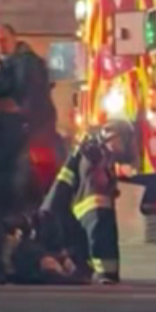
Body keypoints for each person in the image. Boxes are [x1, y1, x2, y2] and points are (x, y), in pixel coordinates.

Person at [35, 119, 139, 285]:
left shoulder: (90, 155)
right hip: (66, 223)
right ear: (113, 138)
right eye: (126, 140)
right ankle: (100, 270)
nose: (129, 146)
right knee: (99, 219)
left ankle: (82, 266)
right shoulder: (94, 161)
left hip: (63, 222)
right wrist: (106, 273)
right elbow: (97, 218)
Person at [0, 24, 62, 219]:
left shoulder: (26, 64)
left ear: (15, 39)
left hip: (31, 140)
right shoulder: (10, 65)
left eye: (3, 40)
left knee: (23, 196)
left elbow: (22, 103)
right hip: (26, 139)